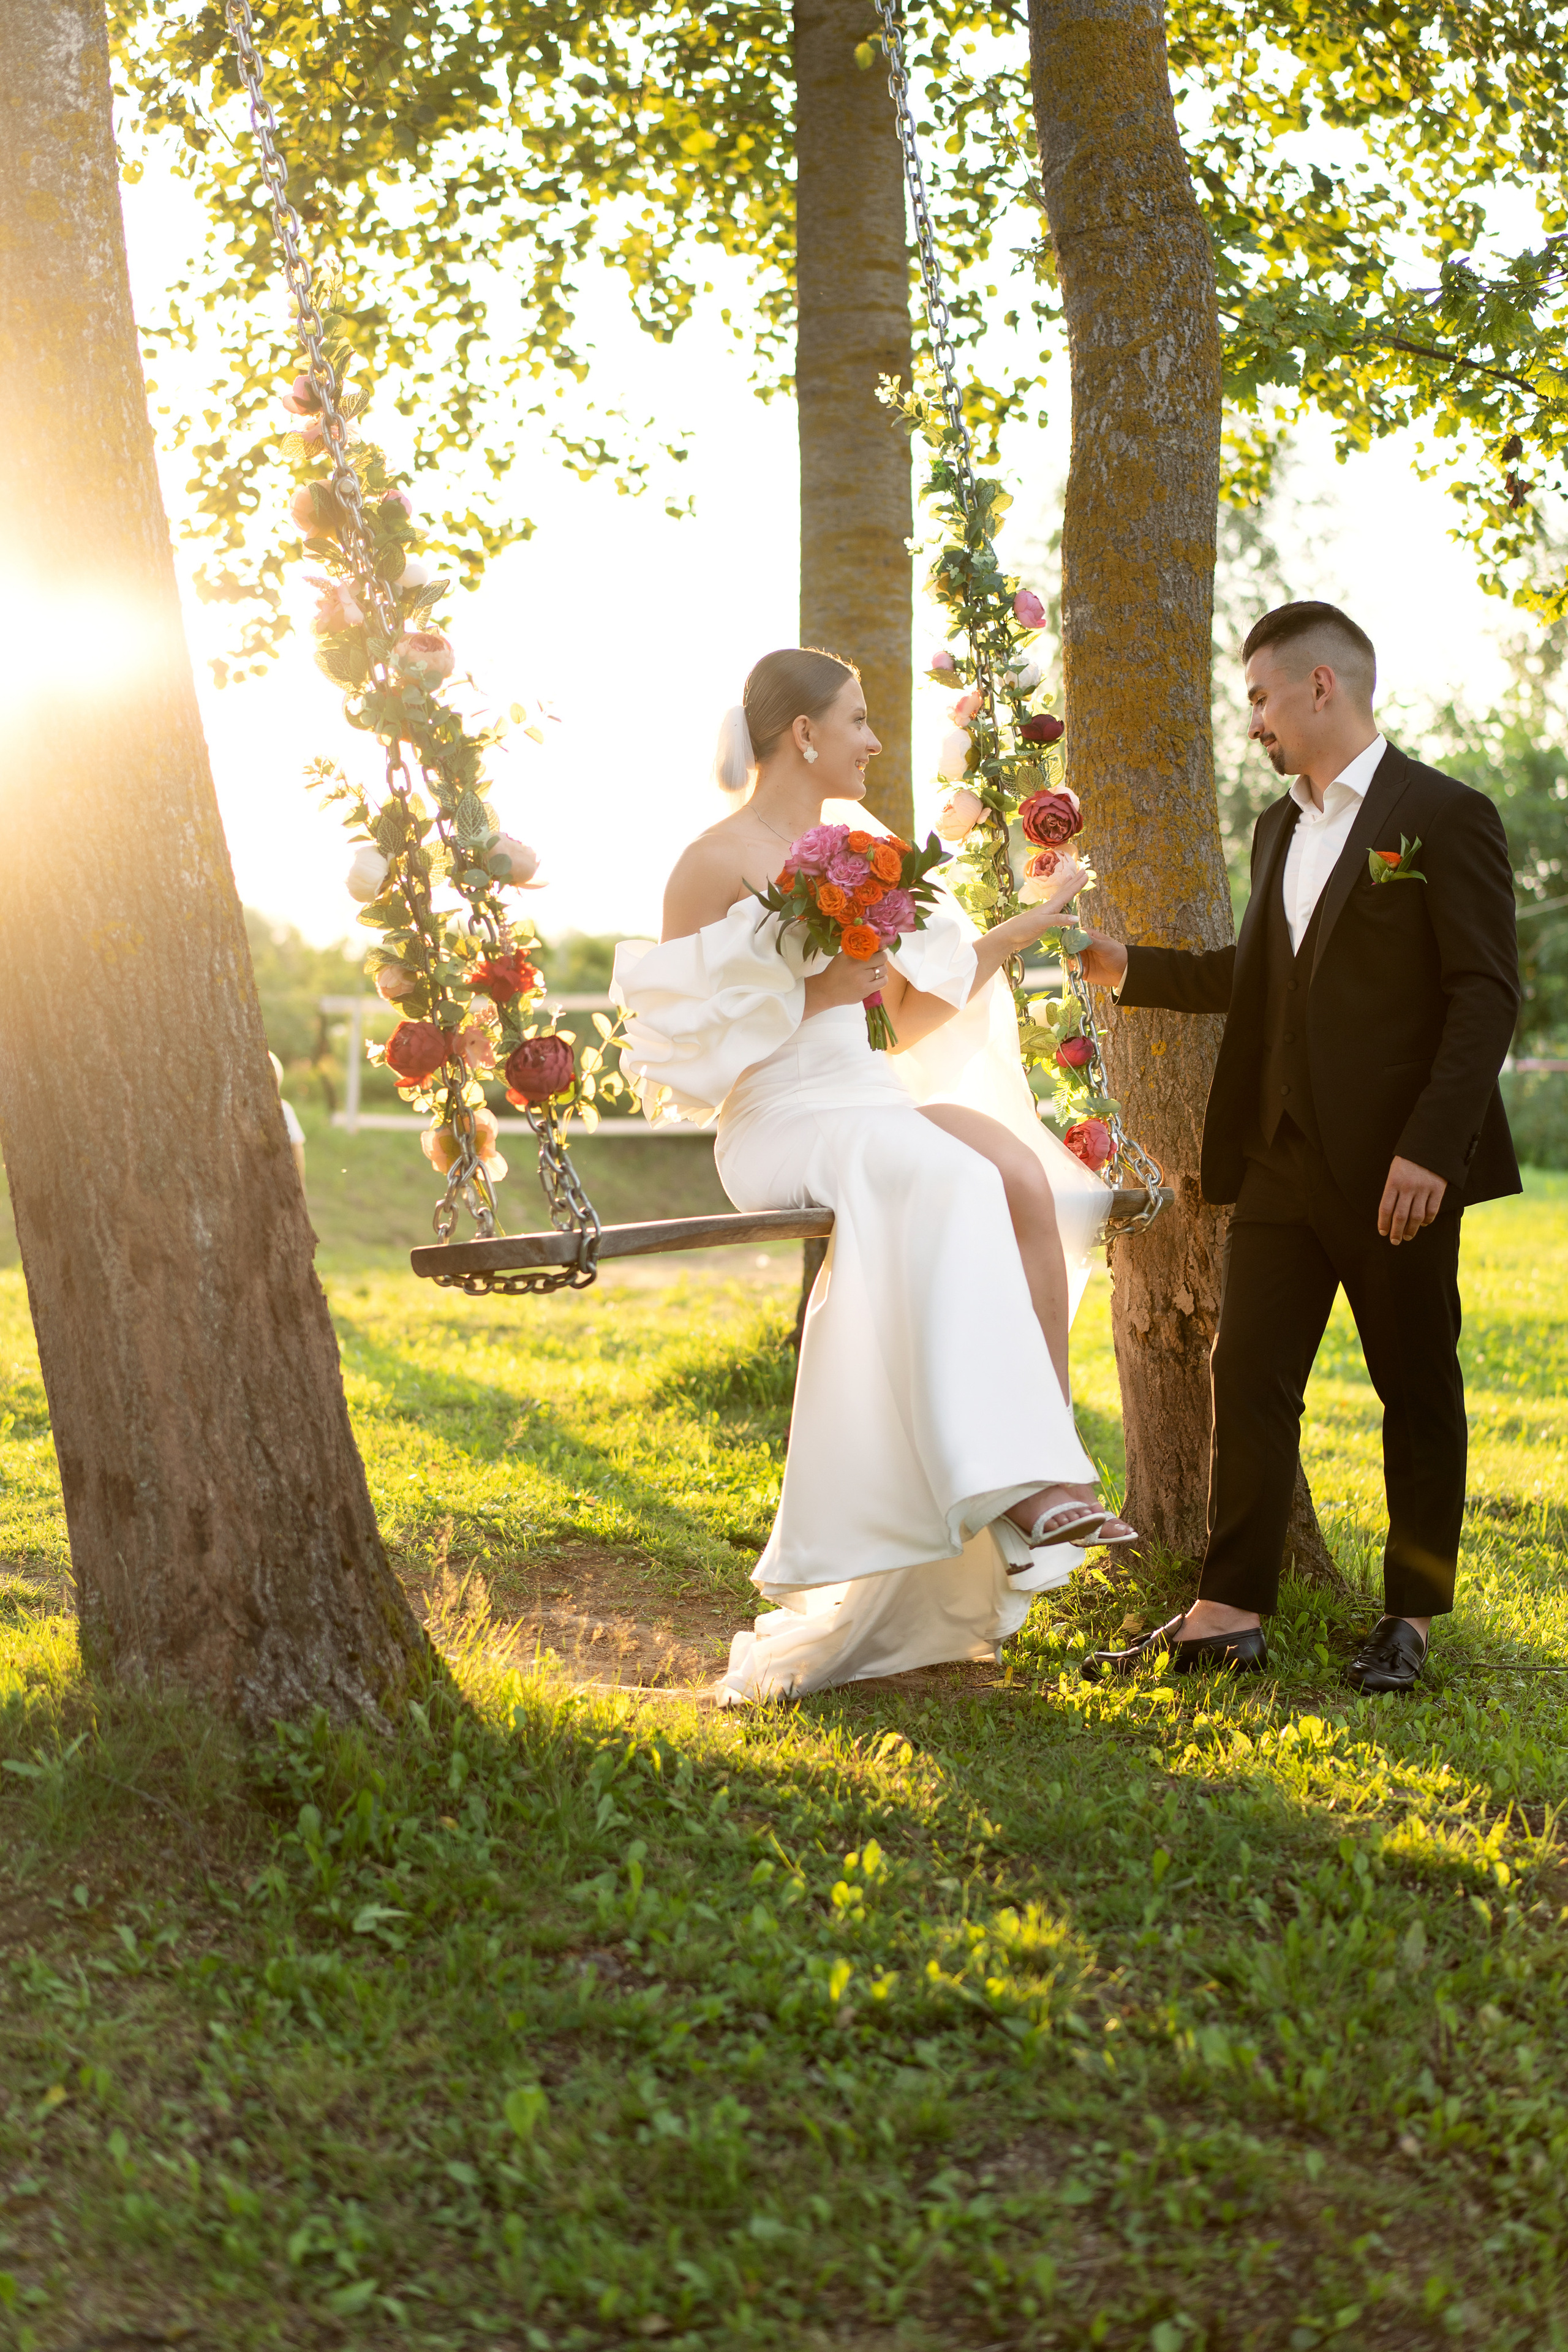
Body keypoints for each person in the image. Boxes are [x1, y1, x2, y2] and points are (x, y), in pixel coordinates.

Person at [612, 646, 1130, 1702]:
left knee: (1033, 1182)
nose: (874, 740)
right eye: (856, 720)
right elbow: (680, 1048)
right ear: (803, 733)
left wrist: (1028, 925)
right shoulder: (712, 863)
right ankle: (1021, 1487)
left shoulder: (863, 849)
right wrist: (810, 997)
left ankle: (1048, 1463)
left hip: (866, 1097)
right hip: (778, 1117)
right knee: (942, 1175)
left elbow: (905, 1014)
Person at [1074, 600, 1520, 1695]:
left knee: (1414, 1389)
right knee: (1250, 1372)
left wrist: (1430, 1147)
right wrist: (1126, 964)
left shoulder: (1446, 815)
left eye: (1263, 698)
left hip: (1397, 1176)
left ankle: (1410, 1617)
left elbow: (1485, 997)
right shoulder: (1279, 828)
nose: (1256, 723)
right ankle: (1229, 1610)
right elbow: (1256, 976)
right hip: (1278, 1162)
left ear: (1324, 685)